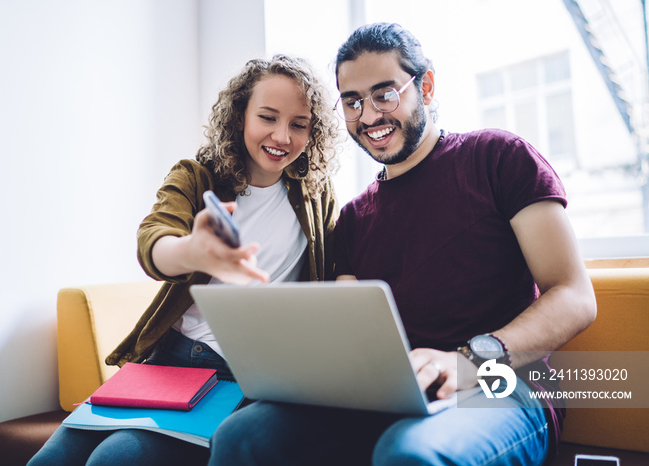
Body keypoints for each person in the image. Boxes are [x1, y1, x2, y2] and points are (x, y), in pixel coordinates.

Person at [208, 23, 597, 466]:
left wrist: (469, 361)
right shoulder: (353, 220)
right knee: (242, 436)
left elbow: (575, 296)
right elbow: (351, 338)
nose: (369, 115)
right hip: (392, 396)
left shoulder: (498, 157)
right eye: (352, 102)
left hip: (501, 385)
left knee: (408, 453)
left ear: (425, 86)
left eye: (384, 93)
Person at [27, 54, 339, 466]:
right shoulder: (196, 177)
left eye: (299, 124)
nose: (282, 136)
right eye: (267, 117)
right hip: (170, 358)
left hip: (241, 373)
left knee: (114, 460)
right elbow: (154, 240)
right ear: (240, 115)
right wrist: (191, 250)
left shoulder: (316, 194)